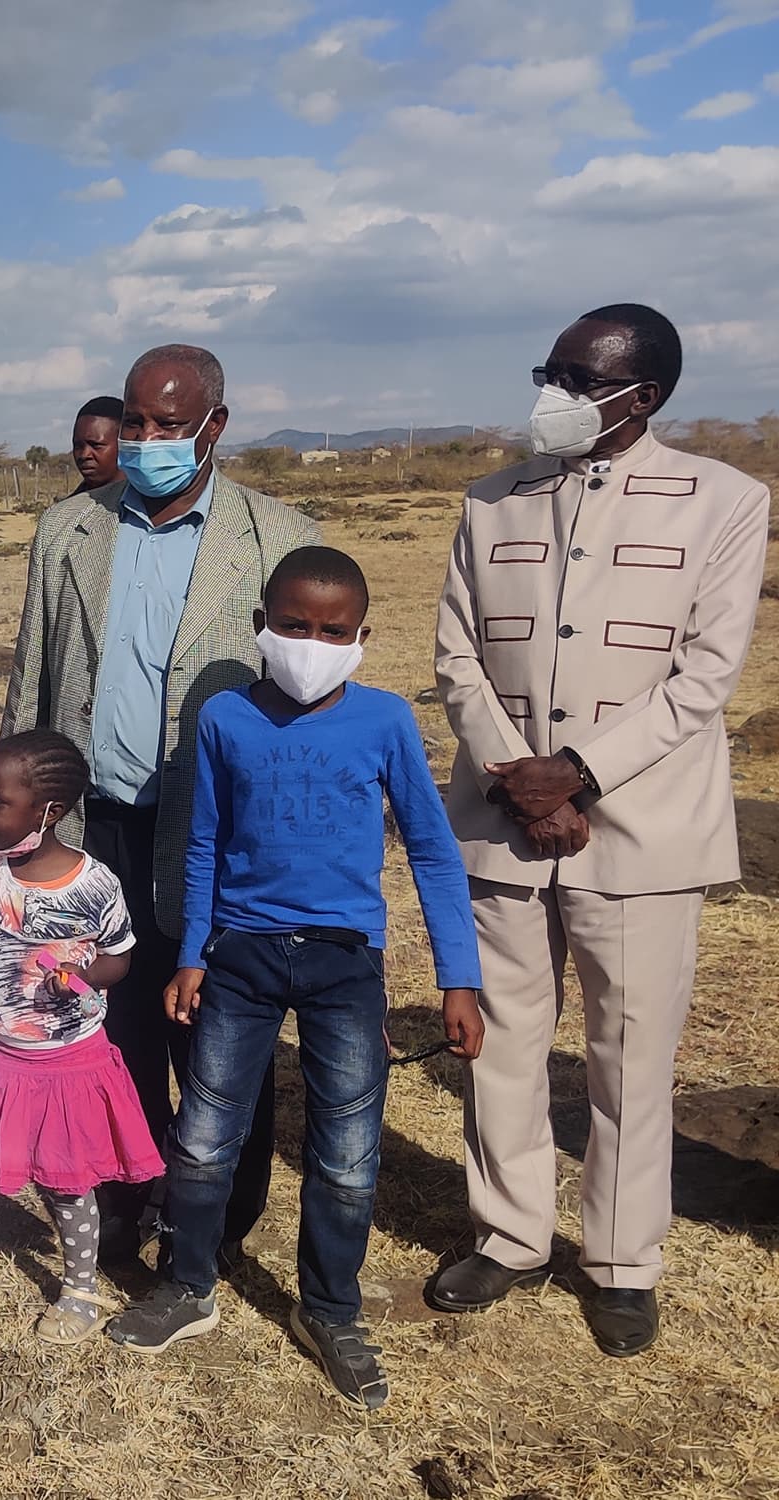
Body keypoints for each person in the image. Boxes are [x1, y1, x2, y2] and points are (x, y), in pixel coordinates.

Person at [431, 304, 770, 1358]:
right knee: (501, 1042)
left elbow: (704, 676)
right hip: (502, 822)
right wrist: (522, 780)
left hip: (642, 832)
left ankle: (622, 1262)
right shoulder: (490, 500)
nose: (555, 393)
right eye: (549, 371)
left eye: (578, 379)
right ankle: (509, 1235)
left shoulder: (724, 502)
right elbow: (456, 657)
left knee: (629, 1055)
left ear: (644, 395)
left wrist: (578, 773)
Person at [108, 547, 483, 1410]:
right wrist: (193, 953)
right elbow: (204, 843)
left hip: (344, 963)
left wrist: (457, 979)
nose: (312, 644)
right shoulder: (225, 718)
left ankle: (330, 1310)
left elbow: (431, 851)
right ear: (261, 626)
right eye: (294, 626)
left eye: (333, 631)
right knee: (205, 1137)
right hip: (238, 957)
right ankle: (189, 1285)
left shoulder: (385, 720)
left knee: (346, 1155)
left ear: (360, 637)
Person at [3, 344, 318, 1266]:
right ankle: (123, 1193)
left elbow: (305, 707)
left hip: (219, 834)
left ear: (214, 425)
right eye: (134, 422)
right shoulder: (69, 529)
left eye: (168, 425)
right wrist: (20, 820)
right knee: (111, 1020)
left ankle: (216, 1221)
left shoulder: (278, 537)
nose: (145, 440)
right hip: (97, 824)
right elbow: (33, 679)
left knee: (220, 1028)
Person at [0, 730, 161, 1350]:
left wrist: (84, 974)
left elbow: (121, 959)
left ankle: (80, 1289)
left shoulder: (95, 883)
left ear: (49, 811)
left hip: (70, 1064)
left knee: (67, 1185)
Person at [70, 395, 124, 497]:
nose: (84, 455)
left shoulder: (146, 503)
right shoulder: (68, 506)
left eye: (96, 445)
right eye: (78, 446)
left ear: (123, 444)